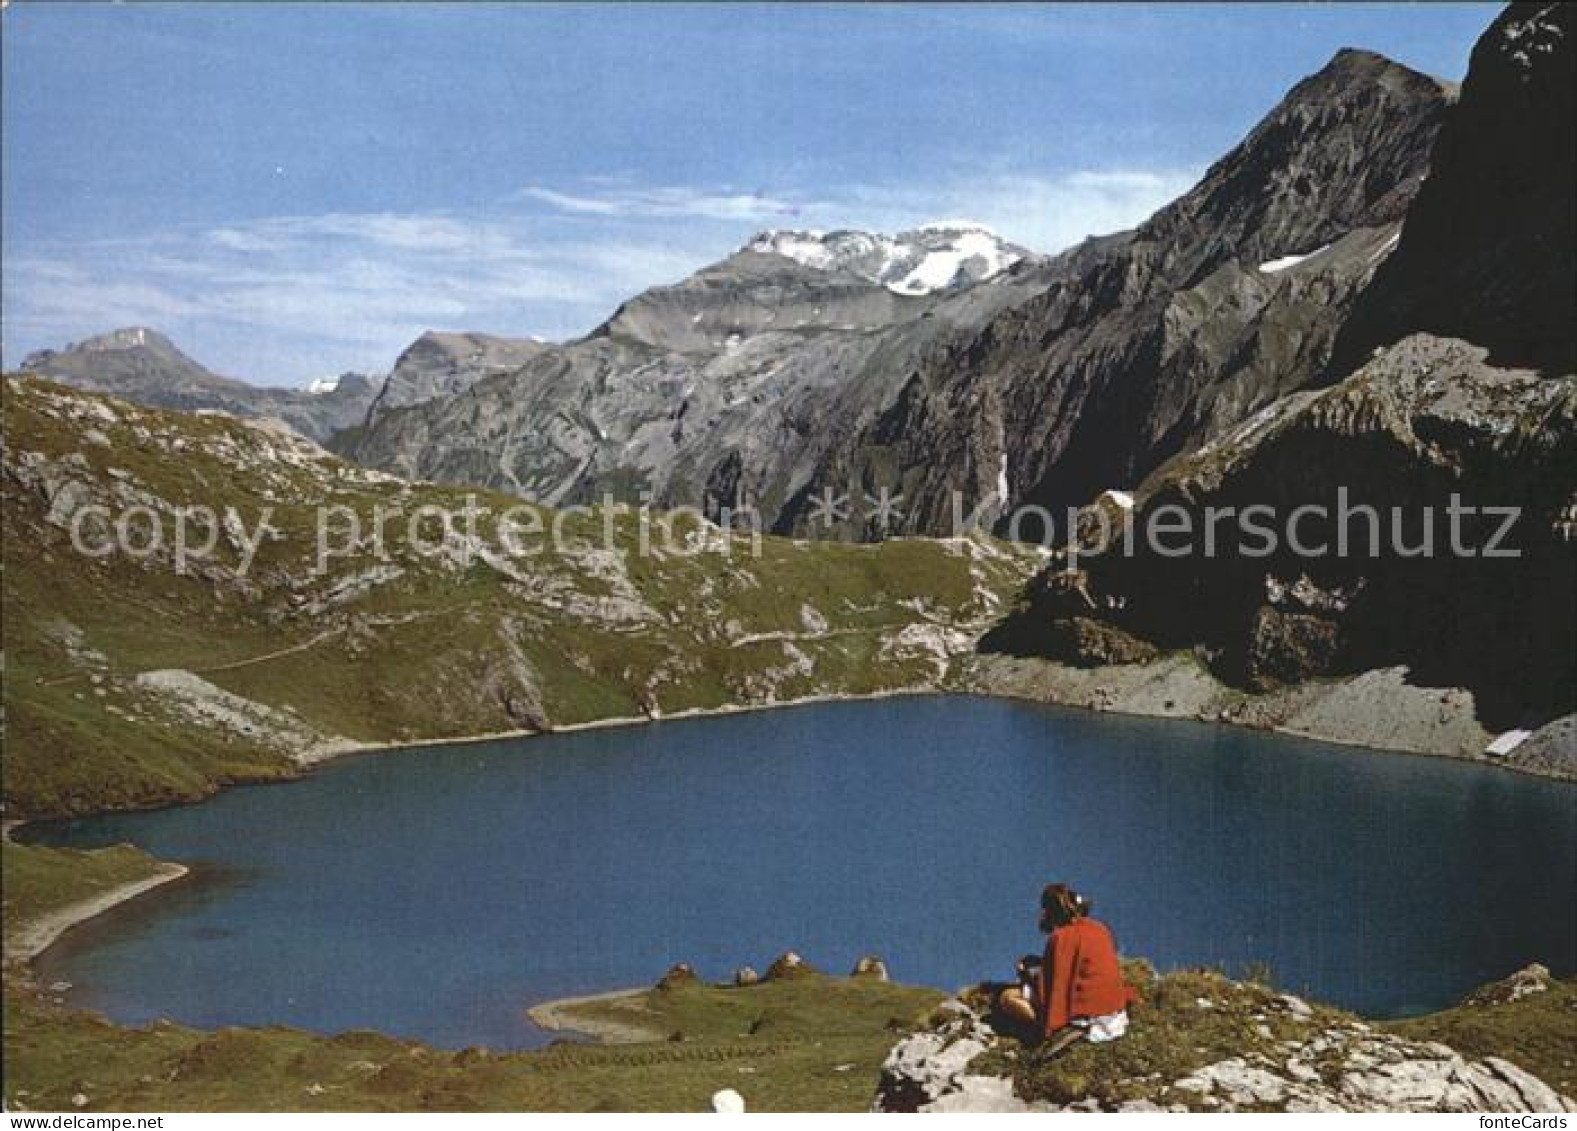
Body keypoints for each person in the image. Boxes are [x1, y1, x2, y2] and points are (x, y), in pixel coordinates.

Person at [996, 882, 1137, 1053]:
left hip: (1085, 1015)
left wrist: (1026, 977)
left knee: (1007, 998)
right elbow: (1076, 964)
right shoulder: (1099, 928)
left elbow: (1053, 987)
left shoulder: (1060, 937)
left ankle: (1042, 1029)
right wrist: (1040, 962)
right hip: (1112, 1013)